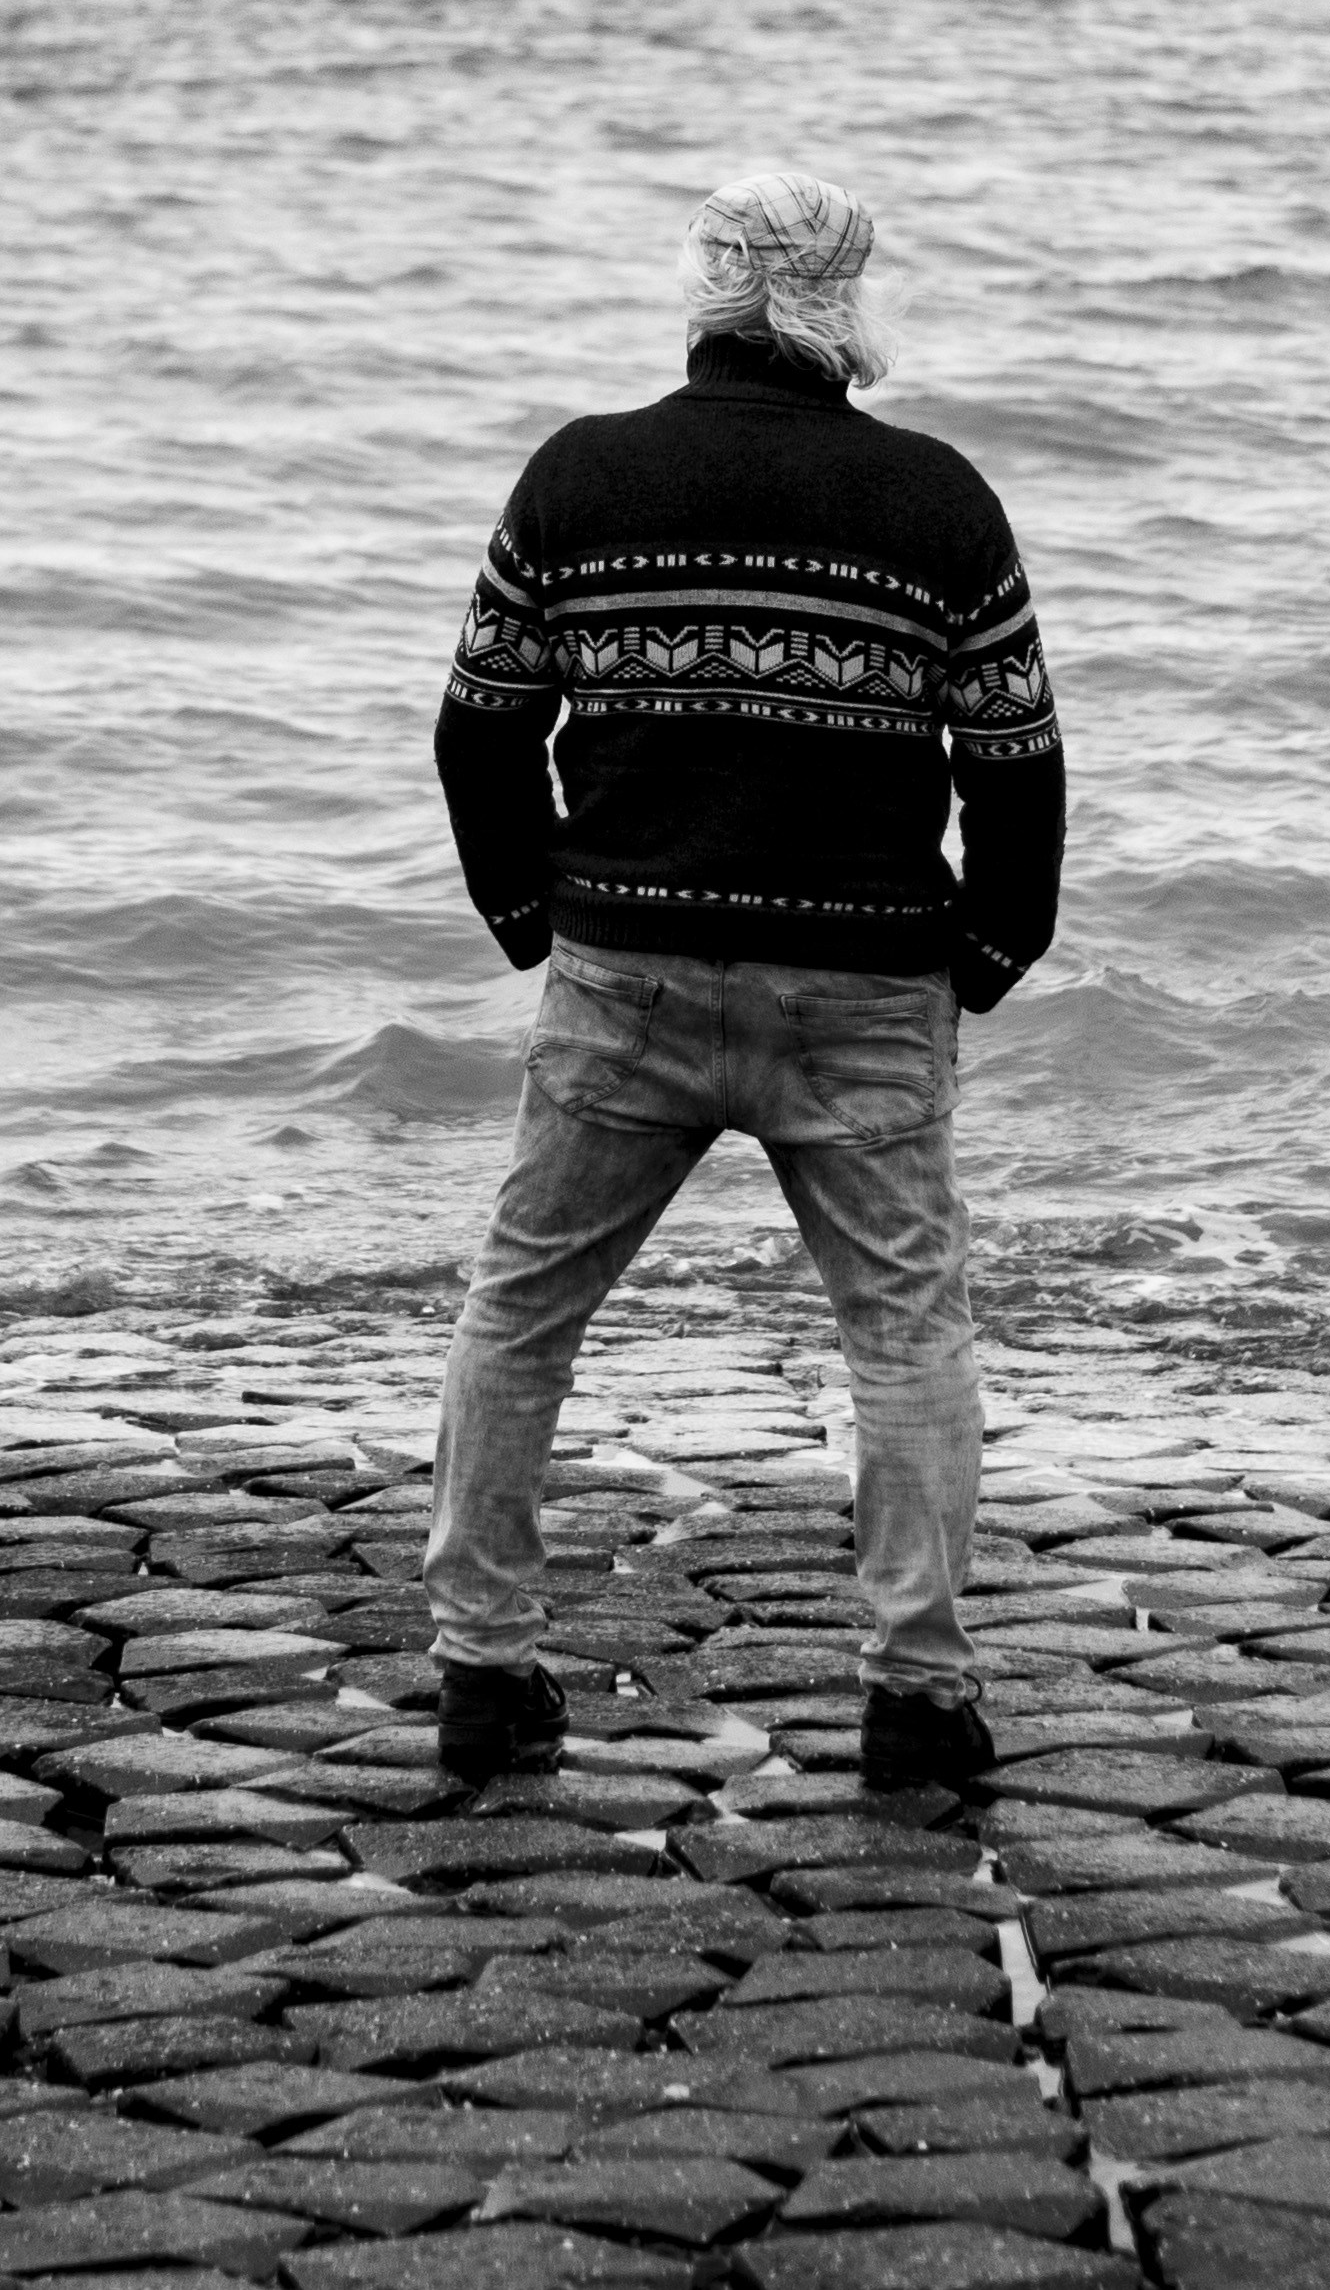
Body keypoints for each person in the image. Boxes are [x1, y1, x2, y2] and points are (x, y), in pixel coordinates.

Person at [419, 167, 1066, 1794]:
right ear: (844, 302)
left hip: (623, 979)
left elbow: (478, 726)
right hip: (861, 993)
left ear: (704, 290)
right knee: (907, 1334)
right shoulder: (936, 502)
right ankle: (915, 1695)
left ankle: (482, 1679)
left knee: (520, 1318)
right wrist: (986, 954)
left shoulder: (581, 475)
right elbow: (1018, 764)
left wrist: (529, 915)